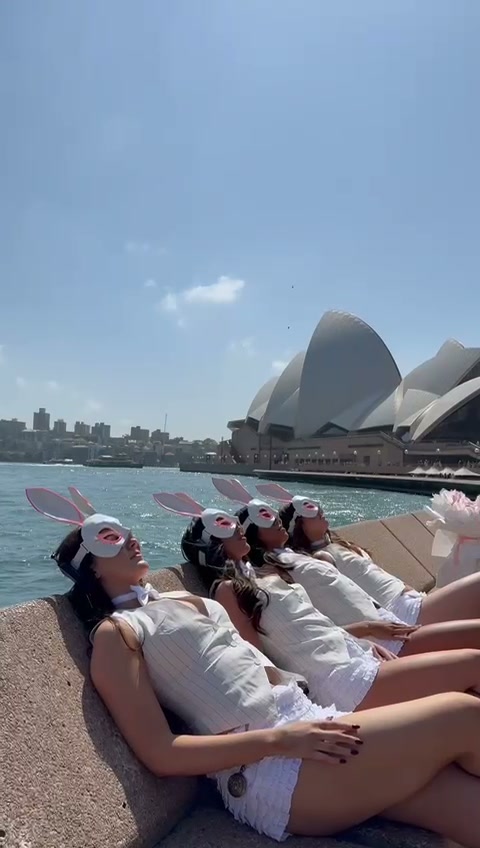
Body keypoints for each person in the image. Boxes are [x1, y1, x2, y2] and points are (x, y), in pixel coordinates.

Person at [25, 488, 480, 846]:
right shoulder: (117, 634)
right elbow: (160, 753)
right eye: (110, 538)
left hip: (314, 728)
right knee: (462, 714)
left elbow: (268, 668)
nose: (131, 539)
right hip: (272, 772)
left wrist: (347, 654)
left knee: (463, 802)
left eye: (127, 532)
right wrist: (281, 738)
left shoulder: (189, 599)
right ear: (92, 569)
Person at [175, 493, 480, 718]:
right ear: (210, 545)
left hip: (359, 656)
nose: (236, 529)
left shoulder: (267, 574)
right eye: (224, 526)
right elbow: (257, 656)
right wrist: (304, 712)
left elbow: (316, 622)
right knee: (469, 669)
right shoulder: (228, 590)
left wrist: (359, 640)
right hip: (341, 680)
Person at [274, 492, 480, 654]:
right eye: (310, 511)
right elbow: (349, 597)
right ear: (299, 525)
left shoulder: (336, 545)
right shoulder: (320, 558)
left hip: (414, 602)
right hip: (406, 612)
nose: (319, 510)